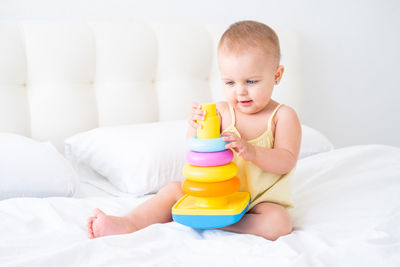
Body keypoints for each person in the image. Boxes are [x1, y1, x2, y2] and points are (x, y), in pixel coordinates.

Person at [87, 20, 301, 241]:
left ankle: (219, 224)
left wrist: (253, 152)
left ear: (277, 75)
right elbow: (196, 147)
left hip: (260, 202)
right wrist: (194, 127)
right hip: (216, 197)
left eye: (251, 81)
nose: (240, 92)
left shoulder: (283, 116)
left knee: (279, 223)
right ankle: (127, 223)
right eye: (230, 83)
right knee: (172, 190)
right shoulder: (221, 112)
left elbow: (286, 160)